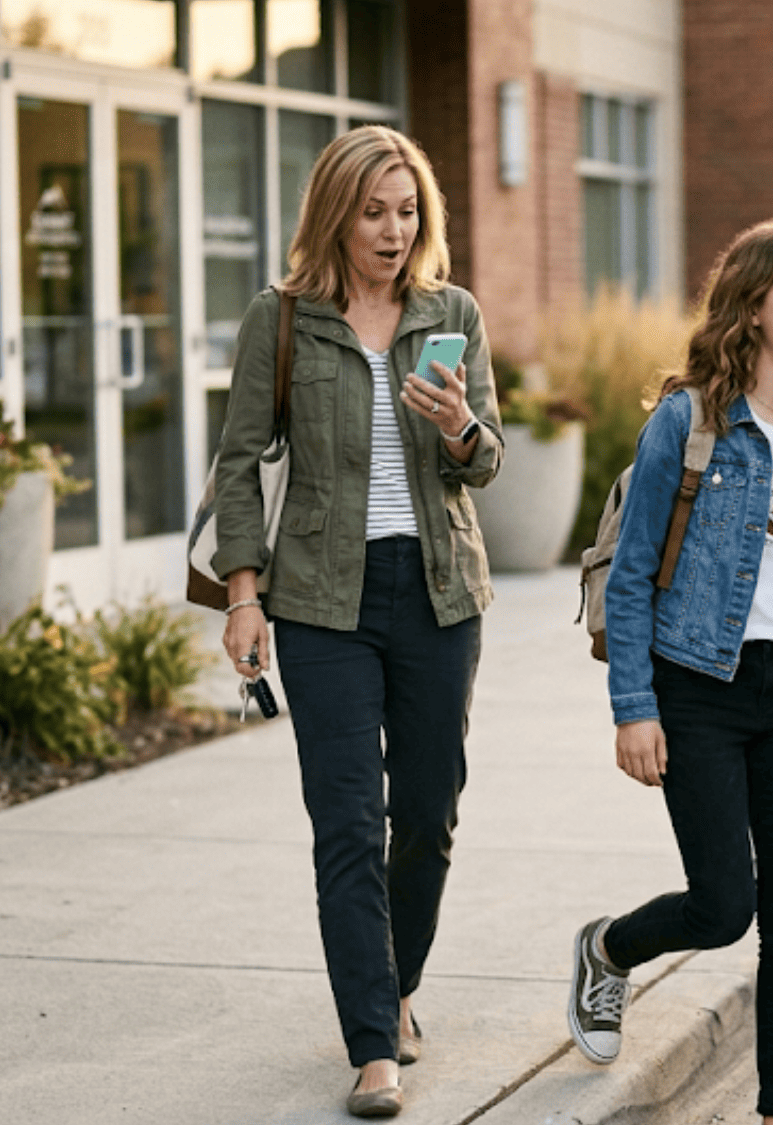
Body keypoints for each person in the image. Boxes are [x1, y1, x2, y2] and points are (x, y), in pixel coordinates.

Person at [567, 218, 773, 1125]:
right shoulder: (688, 420)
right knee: (724, 906)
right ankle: (608, 947)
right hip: (697, 688)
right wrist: (633, 705)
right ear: (753, 305)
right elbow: (632, 574)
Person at [210, 125, 501, 1120]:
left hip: (436, 593)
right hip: (320, 603)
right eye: (373, 211)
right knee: (344, 823)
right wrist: (242, 596)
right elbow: (239, 462)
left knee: (426, 811)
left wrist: (457, 424)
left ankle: (399, 982)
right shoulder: (282, 319)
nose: (391, 229)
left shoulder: (449, 312)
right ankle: (372, 1041)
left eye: (407, 210)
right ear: (335, 213)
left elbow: (485, 459)